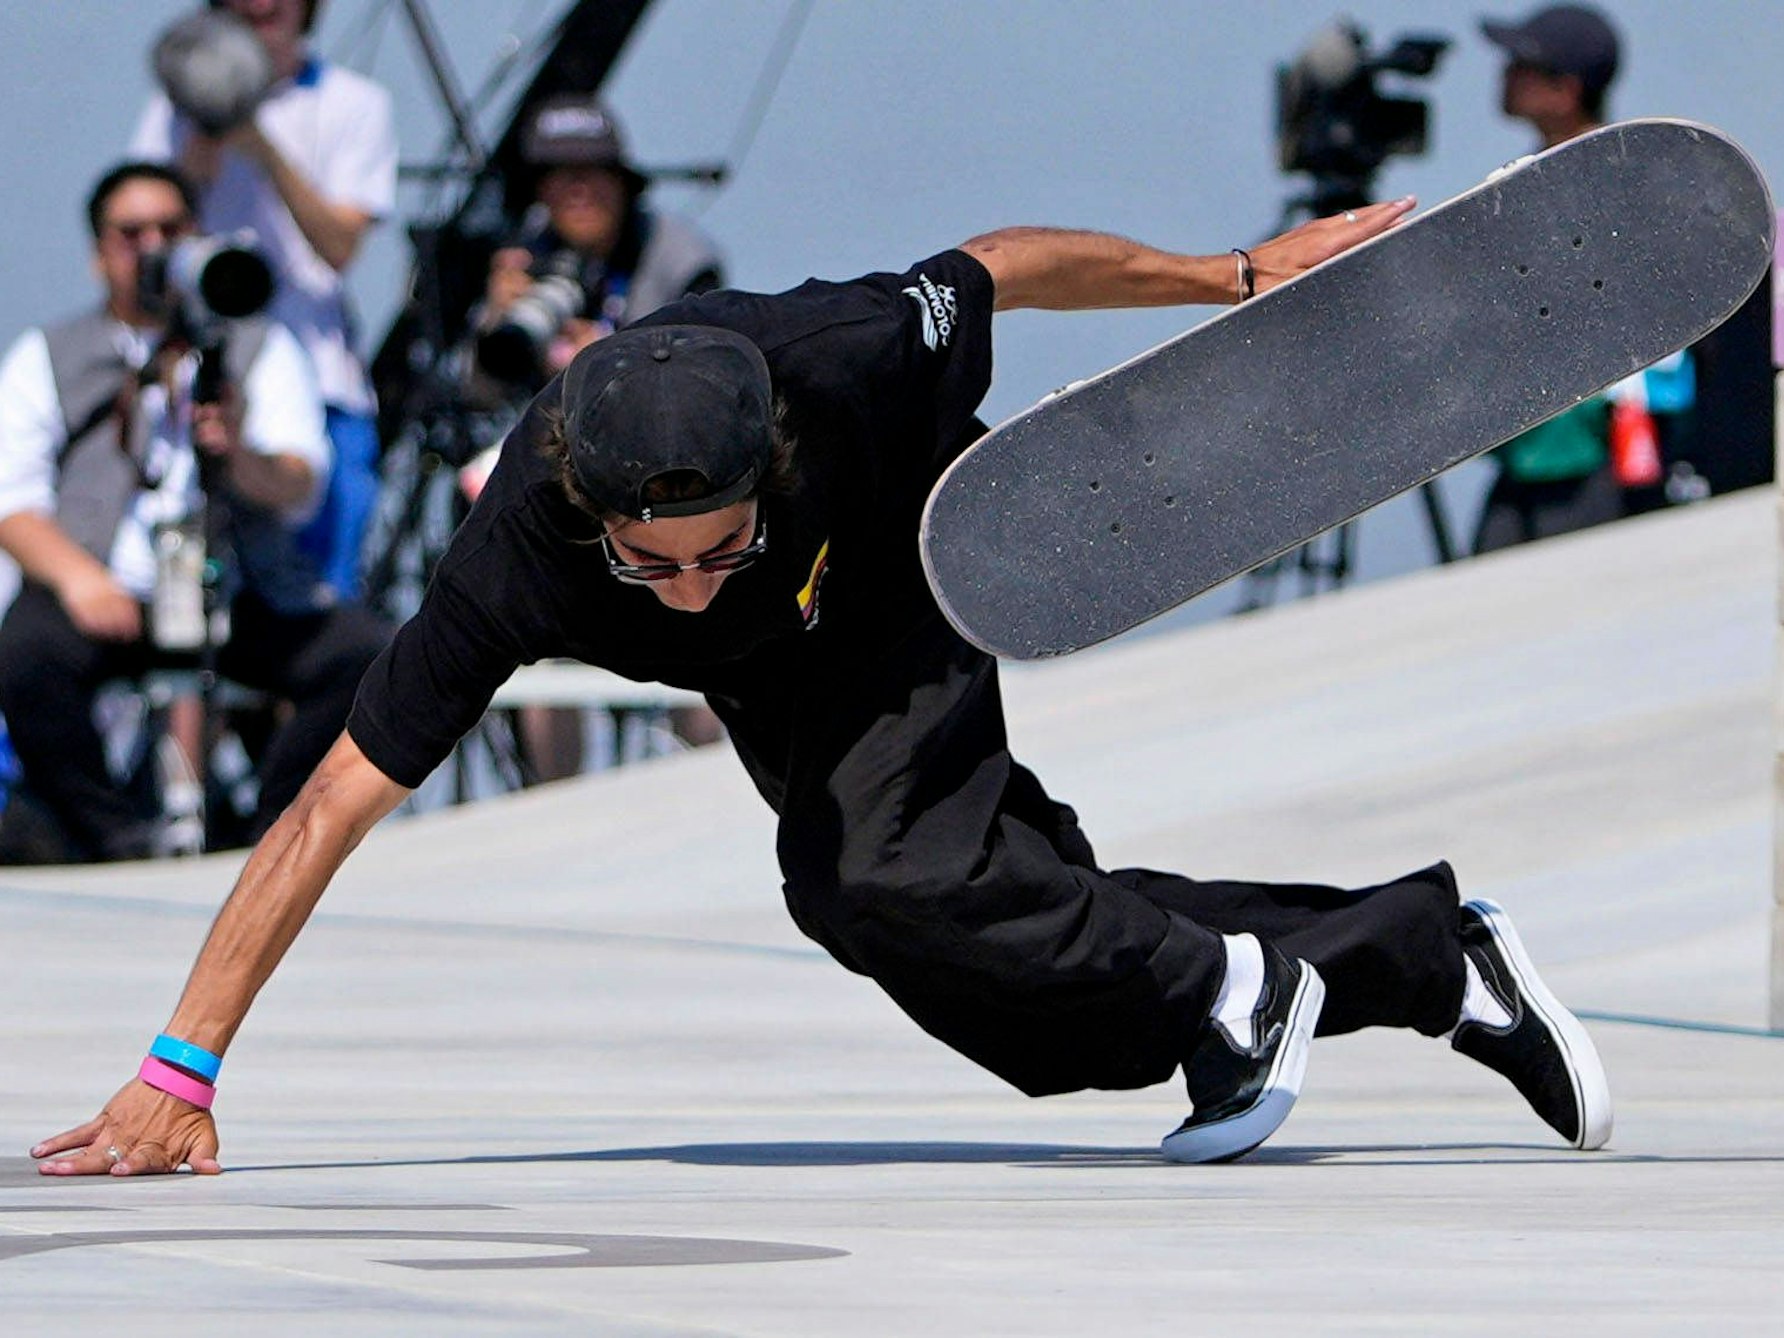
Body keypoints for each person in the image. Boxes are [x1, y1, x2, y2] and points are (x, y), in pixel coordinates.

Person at [31, 201, 1614, 1175]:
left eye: (715, 547)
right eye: (649, 571)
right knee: (1000, 960)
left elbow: (1002, 260)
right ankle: (1419, 956)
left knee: (873, 867)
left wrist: (1230, 273)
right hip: (785, 685)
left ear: (760, 468)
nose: (689, 583)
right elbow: (331, 804)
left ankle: (1235, 992)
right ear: (591, 521)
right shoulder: (516, 545)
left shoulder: (837, 356)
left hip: (909, 563)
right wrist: (183, 1065)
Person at [0, 161, 390, 863]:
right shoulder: (49, 354)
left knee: (365, 653)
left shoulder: (259, 345)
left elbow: (300, 482)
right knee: (25, 654)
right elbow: (11, 500)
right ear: (99, 253)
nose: (151, 249)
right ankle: (110, 837)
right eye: (130, 234)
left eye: (169, 230)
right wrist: (78, 579)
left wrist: (237, 452)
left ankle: (272, 833)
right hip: (108, 590)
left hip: (235, 590)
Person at [461, 95, 728, 773]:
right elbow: (475, 391)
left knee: (702, 610)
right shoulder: (528, 262)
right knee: (535, 621)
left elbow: (707, 370)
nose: (577, 190)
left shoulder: (678, 257)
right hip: (561, 493)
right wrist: (496, 321)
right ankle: (553, 796)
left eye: (594, 173)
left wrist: (610, 351)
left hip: (666, 485)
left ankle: (704, 773)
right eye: (559, 176)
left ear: (622, 180)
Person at [131, 0, 398, 601]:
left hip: (319, 378)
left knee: (321, 599)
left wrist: (262, 148)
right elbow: (141, 241)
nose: (261, 6)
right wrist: (191, 168)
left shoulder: (354, 103)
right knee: (181, 591)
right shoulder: (171, 113)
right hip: (201, 375)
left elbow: (340, 248)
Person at [1473, 4, 1697, 550]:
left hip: (1607, 458)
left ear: (1565, 89)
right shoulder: (1520, 183)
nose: (1504, 75)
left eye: (1521, 65)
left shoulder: (1626, 181)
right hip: (1526, 454)